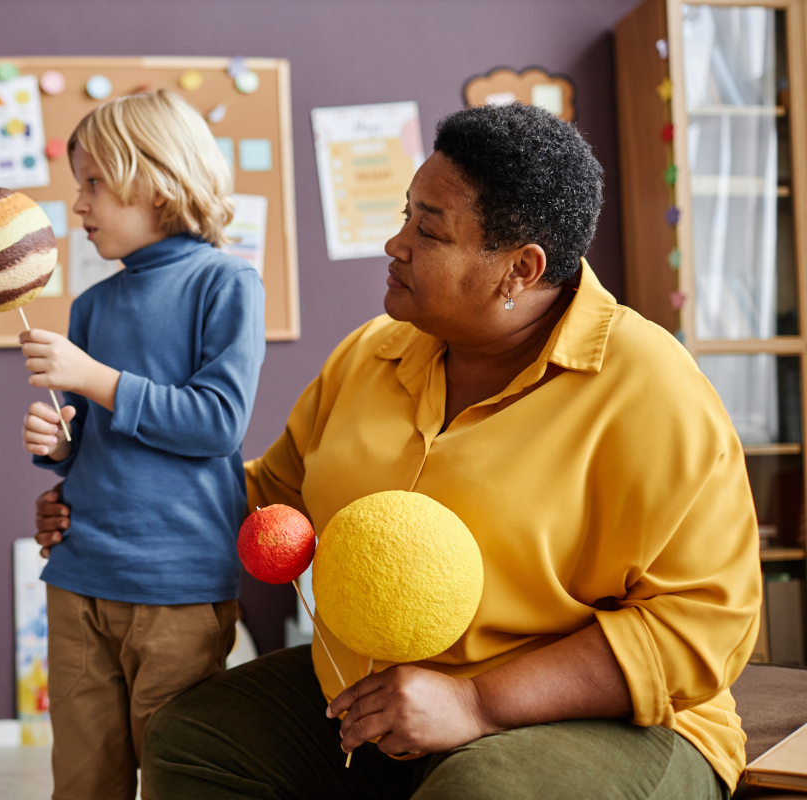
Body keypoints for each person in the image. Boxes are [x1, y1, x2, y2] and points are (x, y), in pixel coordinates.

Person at [37, 103, 763, 799]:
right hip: (376, 697)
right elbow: (268, 494)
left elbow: (702, 625)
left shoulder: (650, 385)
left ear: (521, 268)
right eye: (404, 214)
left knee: (483, 790)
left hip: (610, 719)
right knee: (192, 739)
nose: (396, 243)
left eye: (430, 230)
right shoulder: (371, 353)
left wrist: (478, 701)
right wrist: (106, 497)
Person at [20, 88, 265, 800]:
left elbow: (217, 422)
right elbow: (92, 434)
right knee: (82, 777)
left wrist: (94, 378)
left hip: (177, 588)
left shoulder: (227, 283)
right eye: (79, 186)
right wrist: (57, 448)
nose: (80, 204)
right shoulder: (91, 304)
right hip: (79, 577)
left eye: (94, 182)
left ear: (156, 181)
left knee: (173, 774)